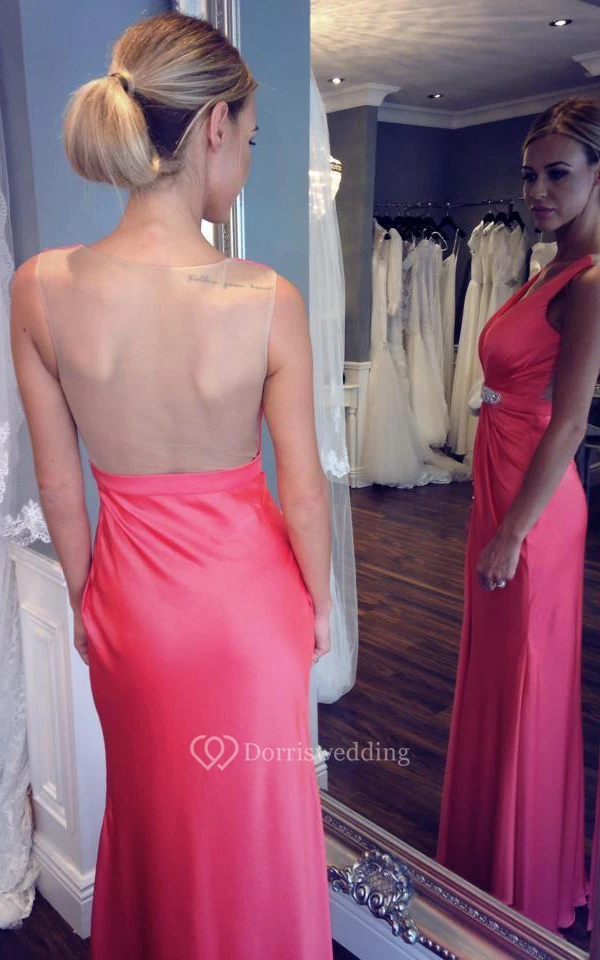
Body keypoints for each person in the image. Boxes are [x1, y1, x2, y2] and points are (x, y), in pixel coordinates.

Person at [9, 11, 333, 960]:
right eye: (252, 140)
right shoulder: (264, 297)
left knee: (156, 824)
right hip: (250, 612)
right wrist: (317, 606)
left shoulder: (40, 287)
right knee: (256, 834)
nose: (248, 163)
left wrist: (89, 603)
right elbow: (304, 493)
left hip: (132, 612)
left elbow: (60, 488)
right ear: (214, 128)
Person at [435, 97, 600, 935]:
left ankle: (523, 878)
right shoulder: (547, 267)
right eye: (530, 175)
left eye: (558, 174)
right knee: (502, 678)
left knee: (530, 683)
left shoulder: (592, 280)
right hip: (503, 486)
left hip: (534, 509)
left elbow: (568, 424)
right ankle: (487, 859)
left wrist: (511, 533)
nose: (537, 191)